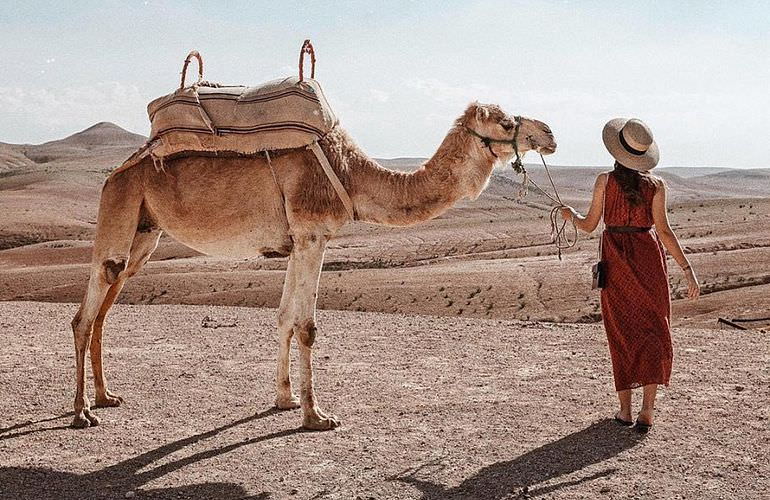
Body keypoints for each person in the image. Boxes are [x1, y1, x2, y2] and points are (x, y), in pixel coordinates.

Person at [560, 118, 700, 433]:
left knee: (620, 330)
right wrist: (688, 271)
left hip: (615, 258)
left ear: (616, 150)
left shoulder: (603, 181)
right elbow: (664, 231)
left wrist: (571, 216)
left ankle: (624, 411)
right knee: (654, 327)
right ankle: (647, 410)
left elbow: (589, 224)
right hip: (648, 257)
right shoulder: (657, 185)